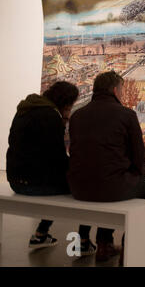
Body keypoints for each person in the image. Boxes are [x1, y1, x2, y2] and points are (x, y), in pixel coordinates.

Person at [67, 71, 145, 264]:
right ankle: (127, 245)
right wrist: (139, 176)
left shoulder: (77, 115)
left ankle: (104, 243)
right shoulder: (126, 115)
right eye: (122, 89)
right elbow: (138, 155)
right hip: (111, 186)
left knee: (107, 183)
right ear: (115, 90)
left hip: (78, 186)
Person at [6, 81, 96, 255]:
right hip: (35, 184)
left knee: (61, 180)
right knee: (87, 184)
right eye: (71, 105)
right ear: (65, 102)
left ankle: (41, 234)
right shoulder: (50, 116)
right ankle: (83, 241)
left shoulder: (25, 110)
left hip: (15, 179)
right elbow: (57, 158)